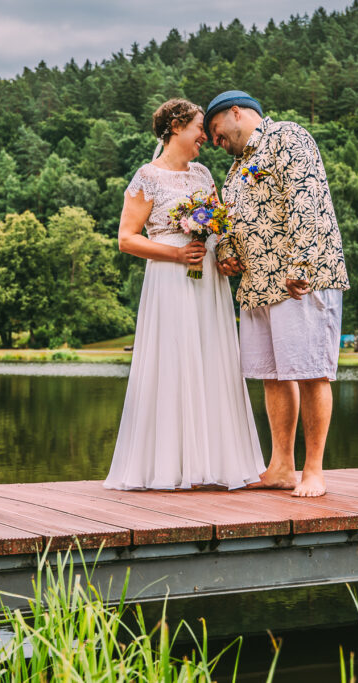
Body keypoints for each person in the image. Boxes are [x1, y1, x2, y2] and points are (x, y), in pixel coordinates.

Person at [103, 98, 264, 491]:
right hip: (170, 280)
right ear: (175, 127)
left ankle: (216, 464)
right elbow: (126, 239)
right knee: (173, 361)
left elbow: (219, 225)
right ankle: (168, 466)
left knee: (212, 359)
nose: (204, 137)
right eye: (198, 128)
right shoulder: (147, 177)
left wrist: (225, 253)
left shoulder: (204, 173)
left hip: (208, 281)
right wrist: (176, 254)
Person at [205, 90, 349, 497]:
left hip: (299, 280)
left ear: (236, 113)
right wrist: (227, 253)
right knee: (272, 376)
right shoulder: (235, 171)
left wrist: (301, 265)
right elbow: (231, 222)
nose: (215, 141)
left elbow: (306, 200)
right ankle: (282, 467)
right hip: (258, 287)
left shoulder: (287, 136)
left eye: (216, 131)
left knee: (311, 372)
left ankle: (314, 471)